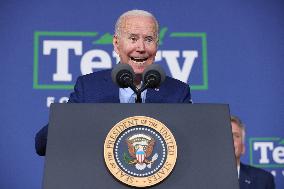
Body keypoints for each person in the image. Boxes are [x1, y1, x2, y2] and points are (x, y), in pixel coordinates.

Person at [35, 10, 192, 156]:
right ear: (116, 44)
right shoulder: (89, 88)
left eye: (149, 39)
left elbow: (192, 146)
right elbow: (43, 144)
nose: (141, 48)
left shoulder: (177, 92)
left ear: (156, 46)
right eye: (133, 38)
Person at [231, 116, 275, 189]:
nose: (230, 139)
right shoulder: (205, 176)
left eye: (236, 136)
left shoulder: (263, 180)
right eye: (225, 134)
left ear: (243, 148)